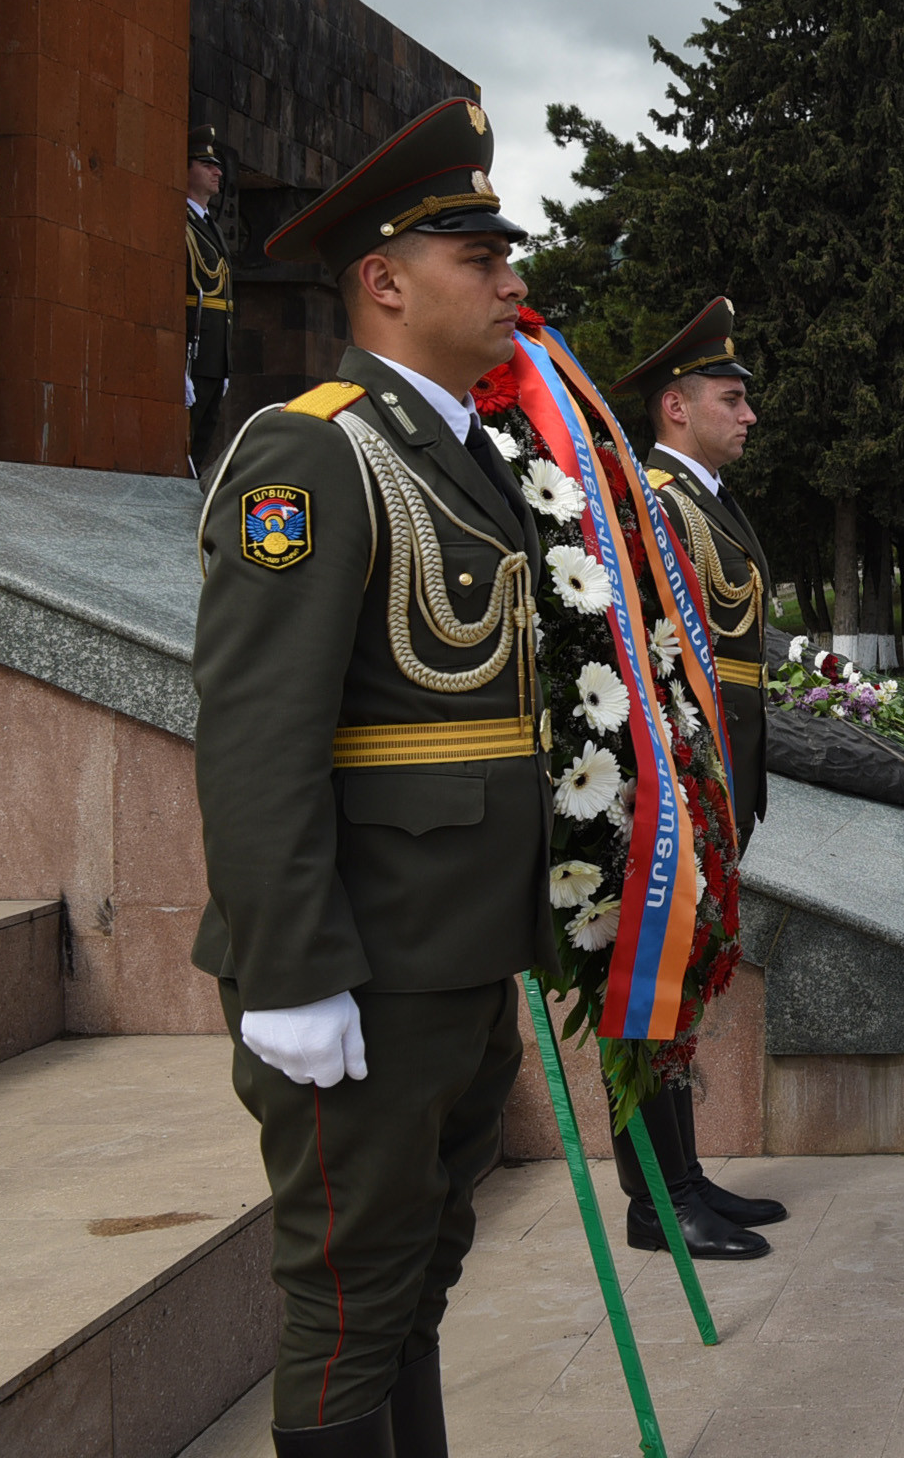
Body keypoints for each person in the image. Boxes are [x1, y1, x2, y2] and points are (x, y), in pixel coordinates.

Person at [193, 97, 548, 1452]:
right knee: (347, 1299)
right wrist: (287, 967)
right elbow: (257, 727)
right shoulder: (313, 447)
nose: (514, 283)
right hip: (365, 958)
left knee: (411, 1279)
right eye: (482, 259)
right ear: (387, 283)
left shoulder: (459, 455)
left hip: (453, 949)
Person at [614, 297, 789, 1262]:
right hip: (678, 773)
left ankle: (680, 1176)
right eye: (732, 398)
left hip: (723, 767)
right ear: (676, 408)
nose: (748, 415)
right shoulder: (653, 496)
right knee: (652, 978)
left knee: (681, 981)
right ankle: (654, 1198)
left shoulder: (701, 498)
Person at [185, 125, 235, 473]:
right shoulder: (181, 219)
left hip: (215, 358)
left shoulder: (210, 226)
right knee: (184, 447)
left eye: (216, 165)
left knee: (201, 446)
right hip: (194, 354)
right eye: (207, 164)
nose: (217, 171)